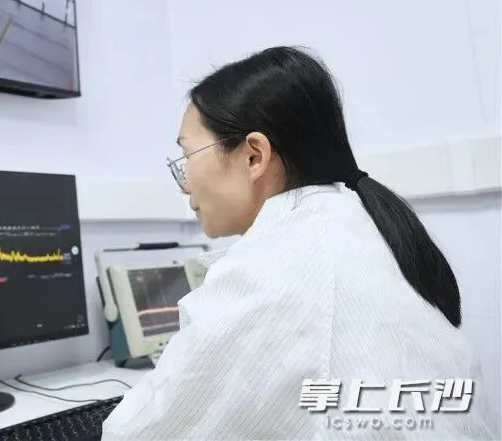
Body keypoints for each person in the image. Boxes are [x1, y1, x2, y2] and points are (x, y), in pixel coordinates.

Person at [100, 46, 497, 440]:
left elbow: (138, 434)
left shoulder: (273, 271)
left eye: (186, 158)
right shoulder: (356, 223)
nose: (185, 184)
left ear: (254, 156)